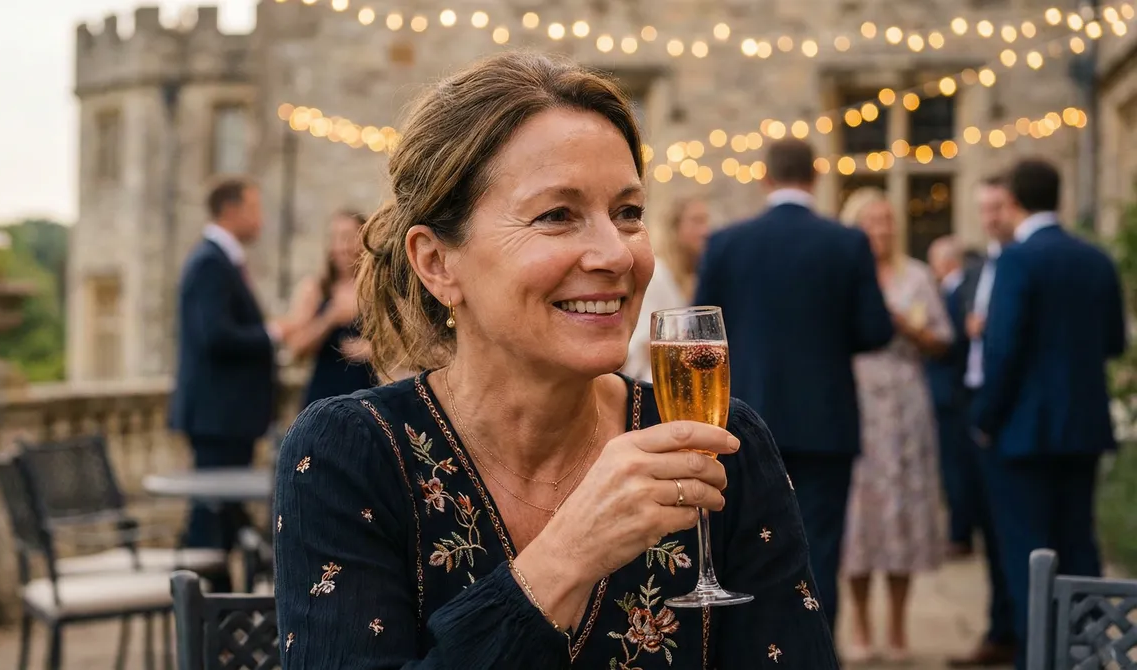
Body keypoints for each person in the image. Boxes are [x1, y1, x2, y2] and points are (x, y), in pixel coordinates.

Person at [273, 51, 839, 668]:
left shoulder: (721, 447)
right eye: (557, 216)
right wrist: (567, 556)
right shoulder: (351, 454)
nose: (616, 255)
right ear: (438, 263)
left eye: (628, 213)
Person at [694, 138, 894, 632]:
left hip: (743, 417)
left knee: (747, 541)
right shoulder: (846, 243)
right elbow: (876, 330)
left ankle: (755, 653)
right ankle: (818, 652)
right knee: (819, 547)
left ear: (765, 177)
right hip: (826, 419)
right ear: (817, 175)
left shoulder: (726, 243)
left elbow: (701, 332)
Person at [971, 159, 1127, 670]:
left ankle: (1036, 659)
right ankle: (1087, 654)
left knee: (1028, 554)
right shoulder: (1096, 260)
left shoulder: (1018, 260)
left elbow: (1004, 350)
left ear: (1014, 201)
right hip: (1083, 427)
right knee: (1079, 545)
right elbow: (1114, 342)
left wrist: (985, 419)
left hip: (1022, 433)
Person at [838, 188, 951, 662]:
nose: (881, 230)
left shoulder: (918, 276)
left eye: (887, 221)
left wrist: (907, 326)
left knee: (901, 518)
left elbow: (944, 342)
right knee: (861, 519)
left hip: (905, 407)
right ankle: (860, 623)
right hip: (857, 399)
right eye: (871, 221)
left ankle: (899, 626)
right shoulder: (842, 275)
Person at [169, 178, 280, 591]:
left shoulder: (219, 262)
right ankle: (206, 625)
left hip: (230, 417)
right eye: (255, 208)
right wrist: (272, 335)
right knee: (211, 524)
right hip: (218, 418)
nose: (261, 218)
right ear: (232, 211)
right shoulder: (208, 263)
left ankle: (227, 618)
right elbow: (214, 336)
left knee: (228, 521)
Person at [947, 176, 1019, 667]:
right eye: (984, 210)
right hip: (972, 407)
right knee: (993, 530)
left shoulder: (1024, 265)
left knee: (1018, 533)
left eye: (998, 208)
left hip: (1011, 412)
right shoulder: (974, 274)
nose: (991, 218)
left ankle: (1024, 632)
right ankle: (1001, 628)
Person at [283, 211, 376, 408]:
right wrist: (330, 318)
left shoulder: (378, 289)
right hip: (324, 395)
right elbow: (296, 347)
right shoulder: (315, 289)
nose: (341, 246)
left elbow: (406, 346)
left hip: (367, 395)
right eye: (335, 238)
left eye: (348, 238)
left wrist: (373, 349)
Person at [924, 236, 976, 554]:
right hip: (950, 393)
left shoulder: (956, 294)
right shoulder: (955, 291)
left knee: (956, 467)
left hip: (951, 394)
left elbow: (953, 344)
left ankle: (961, 534)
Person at [623, 198, 708, 382]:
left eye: (706, 221)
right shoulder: (658, 274)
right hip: (661, 383)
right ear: (674, 227)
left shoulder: (696, 276)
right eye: (696, 221)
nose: (705, 231)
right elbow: (645, 340)